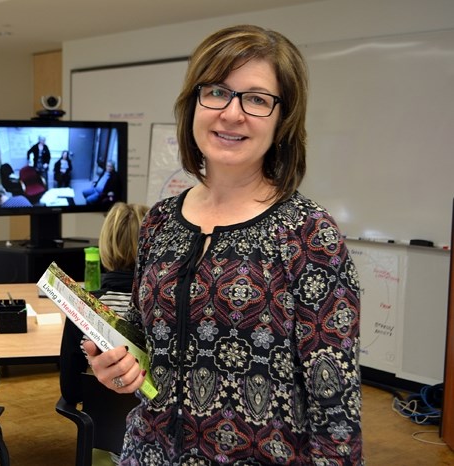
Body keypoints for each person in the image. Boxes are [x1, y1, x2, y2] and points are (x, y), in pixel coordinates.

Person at [83, 25, 363, 465]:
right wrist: (115, 369)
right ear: (194, 103)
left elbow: (338, 415)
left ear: (283, 119)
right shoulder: (158, 222)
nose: (232, 114)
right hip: (146, 454)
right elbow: (143, 354)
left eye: (256, 99)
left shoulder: (309, 234)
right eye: (217, 91)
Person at [59, 202, 149, 405]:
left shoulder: (84, 308)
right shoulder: (165, 305)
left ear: (104, 246)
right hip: (160, 427)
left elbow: (71, 392)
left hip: (101, 429)